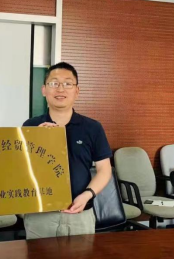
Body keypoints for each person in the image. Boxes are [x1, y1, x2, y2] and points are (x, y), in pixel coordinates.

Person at [23, 62, 112, 238]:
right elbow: (22, 170)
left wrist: (87, 195)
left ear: (77, 91)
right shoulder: (30, 126)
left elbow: (104, 169)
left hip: (80, 213)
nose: (60, 89)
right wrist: (38, 139)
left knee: (81, 257)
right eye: (54, 83)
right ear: (44, 90)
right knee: (38, 257)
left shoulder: (93, 127)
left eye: (67, 83)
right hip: (40, 214)